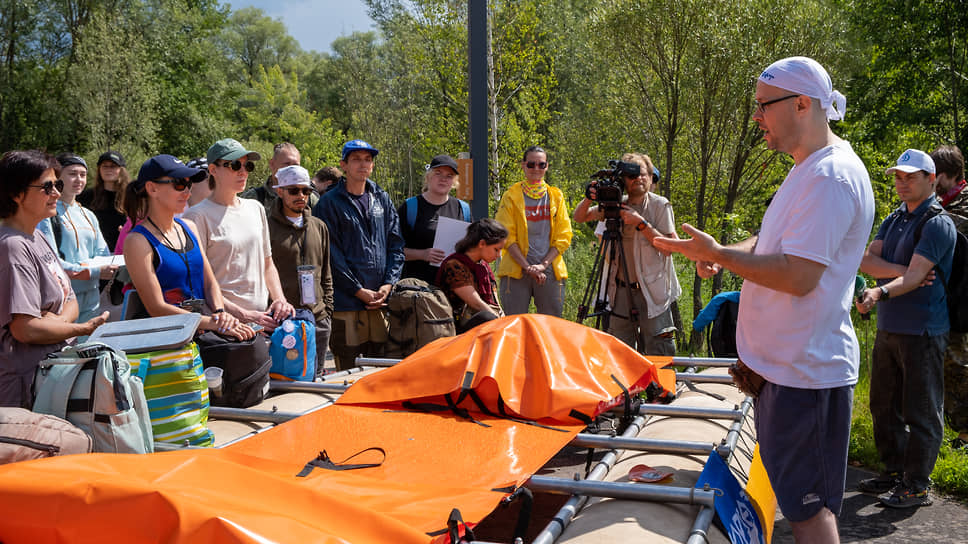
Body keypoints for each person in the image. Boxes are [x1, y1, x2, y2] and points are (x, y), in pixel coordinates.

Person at [653, 57, 874, 541]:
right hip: (788, 372)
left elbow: (798, 276)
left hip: (806, 376)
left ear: (801, 104)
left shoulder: (829, 177)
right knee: (798, 503)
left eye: (762, 105)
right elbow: (776, 245)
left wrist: (722, 257)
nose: (756, 117)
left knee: (810, 513)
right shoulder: (809, 169)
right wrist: (721, 253)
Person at [855, 149, 955, 508]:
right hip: (891, 327)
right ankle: (894, 472)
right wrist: (907, 272)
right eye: (898, 176)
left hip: (924, 330)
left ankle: (917, 485)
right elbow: (867, 260)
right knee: (883, 405)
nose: (901, 183)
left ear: (931, 179)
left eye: (910, 177)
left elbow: (909, 277)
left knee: (922, 410)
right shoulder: (894, 218)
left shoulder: (937, 223)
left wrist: (882, 287)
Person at [0, 150, 108, 407]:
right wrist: (80, 329)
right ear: (16, 194)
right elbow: (25, 328)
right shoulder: (12, 247)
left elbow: (69, 297)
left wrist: (54, 323)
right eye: (47, 187)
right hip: (24, 390)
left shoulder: (37, 236)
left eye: (57, 185)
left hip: (49, 377)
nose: (57, 194)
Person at [122, 155, 254, 341]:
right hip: (166, 343)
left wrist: (220, 313)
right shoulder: (137, 240)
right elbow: (156, 308)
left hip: (199, 333)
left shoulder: (188, 226)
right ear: (152, 188)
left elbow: (209, 282)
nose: (187, 192)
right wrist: (212, 322)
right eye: (178, 184)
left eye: (188, 184)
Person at [573, 152, 681, 355]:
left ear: (650, 177)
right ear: (623, 180)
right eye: (632, 176)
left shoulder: (660, 205)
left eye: (643, 174)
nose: (639, 178)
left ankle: (660, 387)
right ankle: (624, 387)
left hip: (652, 291)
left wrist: (641, 223)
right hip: (620, 290)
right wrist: (589, 198)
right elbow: (579, 217)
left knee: (658, 347)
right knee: (619, 349)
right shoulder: (616, 203)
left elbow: (670, 248)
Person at [183, 138, 295, 331]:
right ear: (213, 170)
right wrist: (242, 315)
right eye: (234, 165)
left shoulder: (256, 208)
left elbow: (267, 264)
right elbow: (198, 282)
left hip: (264, 320)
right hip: (225, 326)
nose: (243, 172)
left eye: (247, 165)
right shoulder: (196, 216)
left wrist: (279, 300)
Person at [312, 139, 404, 371]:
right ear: (343, 165)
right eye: (356, 159)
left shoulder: (381, 197)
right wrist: (357, 290)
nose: (363, 165)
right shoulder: (329, 203)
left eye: (367, 160)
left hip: (380, 301)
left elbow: (395, 244)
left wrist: (388, 284)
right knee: (348, 369)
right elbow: (331, 255)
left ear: (372, 166)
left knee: (381, 367)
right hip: (346, 302)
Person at [267, 165, 334, 378]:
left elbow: (326, 273)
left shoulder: (319, 226)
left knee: (314, 383)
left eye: (306, 191)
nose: (301, 196)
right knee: (285, 385)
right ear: (280, 191)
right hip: (283, 322)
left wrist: (327, 310)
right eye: (294, 190)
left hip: (318, 318)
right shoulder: (266, 227)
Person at [37, 154, 118, 324]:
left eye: (83, 174)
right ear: (58, 177)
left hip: (93, 296)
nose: (79, 179)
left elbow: (102, 254)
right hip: (62, 299)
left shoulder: (88, 214)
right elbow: (51, 262)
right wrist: (94, 271)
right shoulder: (47, 214)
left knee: (89, 346)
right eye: (72, 173)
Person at [494, 146, 573, 317]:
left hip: (549, 270)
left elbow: (564, 236)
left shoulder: (556, 196)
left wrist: (542, 265)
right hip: (516, 270)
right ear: (523, 165)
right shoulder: (510, 196)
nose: (536, 169)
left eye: (541, 165)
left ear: (547, 167)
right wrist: (527, 267)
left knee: (551, 326)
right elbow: (506, 235)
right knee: (514, 325)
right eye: (531, 164)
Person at [930, 145, 968, 450]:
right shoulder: (943, 202)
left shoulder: (963, 204)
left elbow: (948, 232)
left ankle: (966, 435)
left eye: (936, 174)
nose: (933, 180)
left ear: (950, 174)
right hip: (944, 299)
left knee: (957, 366)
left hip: (962, 301)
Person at [398, 154, 472, 284]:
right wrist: (422, 254)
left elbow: (473, 248)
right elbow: (392, 250)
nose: (443, 179)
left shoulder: (463, 209)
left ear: (454, 182)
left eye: (449, 176)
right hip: (418, 291)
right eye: (438, 173)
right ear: (428, 177)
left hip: (454, 289)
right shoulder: (410, 207)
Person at [436, 218, 507, 332]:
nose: (499, 255)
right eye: (496, 249)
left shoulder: (483, 266)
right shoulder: (454, 265)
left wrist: (504, 320)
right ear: (482, 243)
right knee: (487, 318)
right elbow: (476, 304)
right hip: (453, 328)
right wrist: (501, 323)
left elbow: (494, 303)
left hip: (476, 322)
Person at [241, 142, 318, 211]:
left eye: (295, 165)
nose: (291, 169)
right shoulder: (253, 198)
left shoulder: (309, 198)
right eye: (286, 164)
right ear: (272, 164)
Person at [78, 151, 129, 251]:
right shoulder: (85, 196)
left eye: (113, 166)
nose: (108, 170)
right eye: (104, 166)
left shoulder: (131, 196)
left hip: (125, 251)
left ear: (121, 170)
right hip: (95, 253)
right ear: (99, 170)